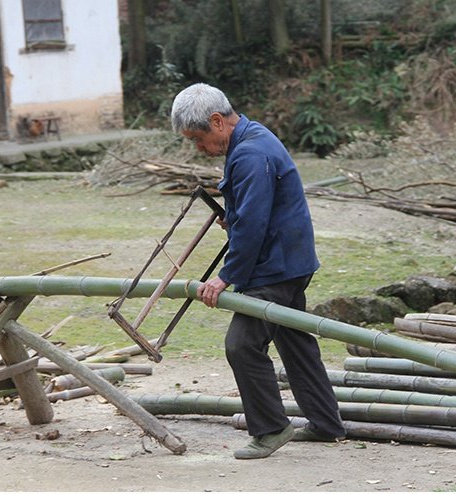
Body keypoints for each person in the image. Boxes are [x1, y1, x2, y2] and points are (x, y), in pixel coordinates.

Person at [171, 83, 346, 460]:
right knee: (295, 343)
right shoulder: (253, 136)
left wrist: (224, 275)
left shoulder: (250, 153)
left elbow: (253, 224)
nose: (198, 147)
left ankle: (270, 428)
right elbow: (255, 210)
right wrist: (232, 220)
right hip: (291, 260)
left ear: (217, 121)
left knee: (242, 345)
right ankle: (326, 423)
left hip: (276, 267)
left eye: (198, 138)